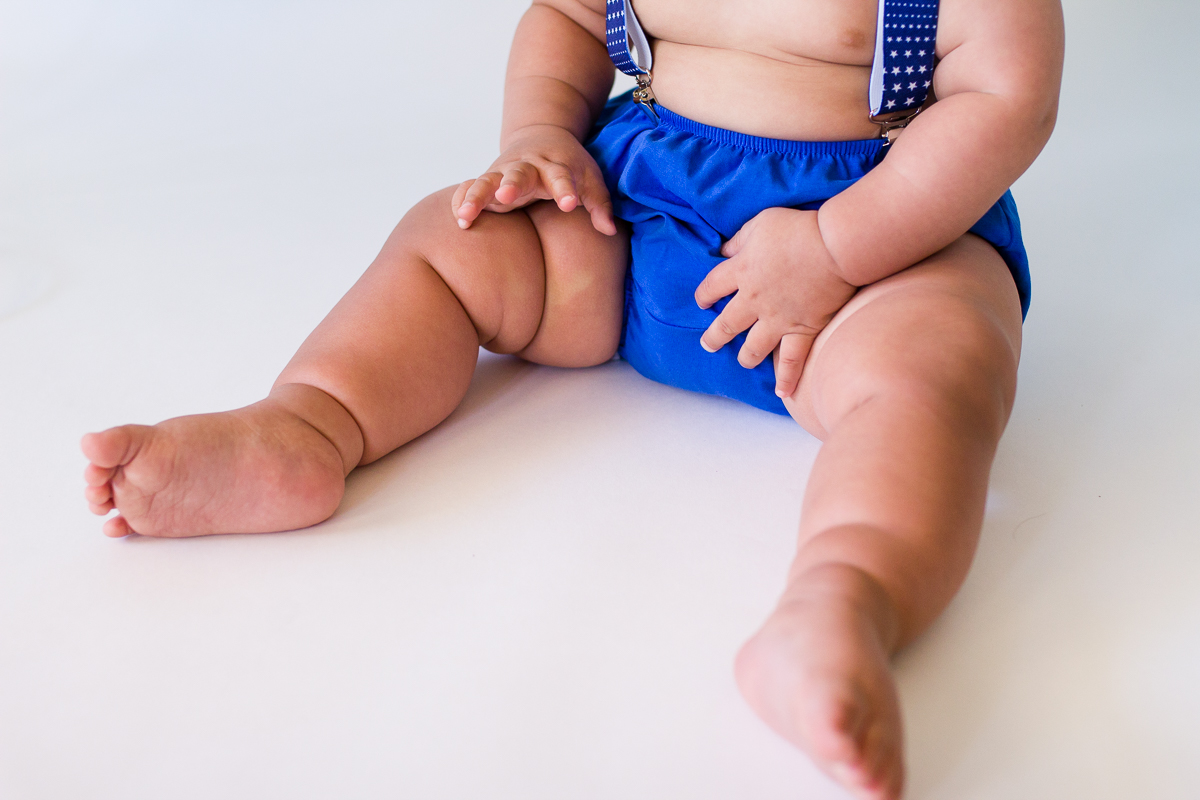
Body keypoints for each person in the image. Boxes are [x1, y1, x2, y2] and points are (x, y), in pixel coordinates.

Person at [80, 0, 1064, 796]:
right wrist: (543, 136)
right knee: (450, 236)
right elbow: (562, 15)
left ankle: (842, 600)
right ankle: (307, 421)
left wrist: (837, 246)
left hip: (873, 252)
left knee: (940, 366)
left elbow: (1005, 97)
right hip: (639, 220)